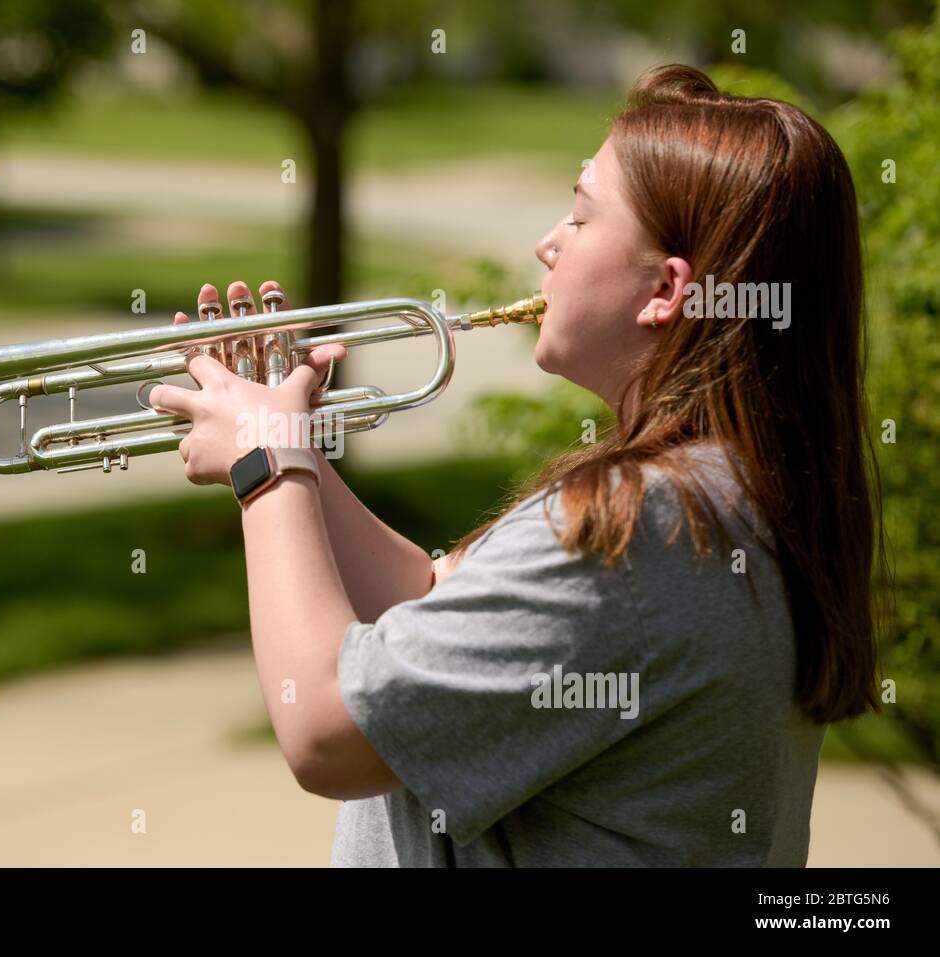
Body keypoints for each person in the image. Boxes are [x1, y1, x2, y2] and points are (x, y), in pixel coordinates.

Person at [147, 65, 887, 866]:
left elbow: (323, 730)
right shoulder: (726, 490)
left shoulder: (641, 530)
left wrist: (268, 465)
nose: (547, 244)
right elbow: (438, 607)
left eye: (579, 216)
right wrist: (291, 451)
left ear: (667, 290)